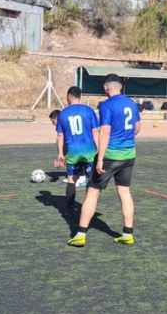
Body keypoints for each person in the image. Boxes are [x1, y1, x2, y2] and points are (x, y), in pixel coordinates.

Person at [70, 73, 140, 247]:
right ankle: (127, 234)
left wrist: (100, 158)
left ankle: (80, 234)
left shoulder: (106, 105)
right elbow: (137, 128)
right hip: (129, 155)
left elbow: (105, 133)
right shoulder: (132, 103)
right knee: (124, 193)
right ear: (121, 86)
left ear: (105, 88)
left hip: (111, 156)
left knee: (92, 192)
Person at [54, 86, 100, 211]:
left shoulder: (63, 113)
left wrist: (60, 154)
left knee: (71, 180)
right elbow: (95, 132)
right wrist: (100, 150)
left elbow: (60, 135)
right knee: (91, 179)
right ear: (80, 96)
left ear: (69, 97)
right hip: (89, 152)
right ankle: (88, 206)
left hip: (73, 152)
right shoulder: (89, 111)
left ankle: (70, 208)